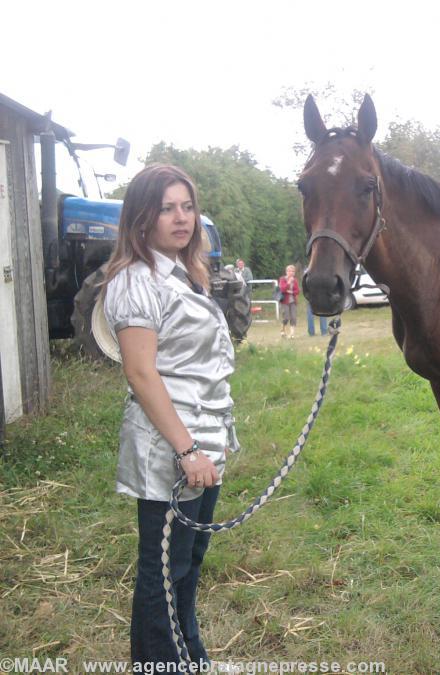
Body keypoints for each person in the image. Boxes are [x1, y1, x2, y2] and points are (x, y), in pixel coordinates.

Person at [102, 164, 239, 669]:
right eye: (166, 209)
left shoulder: (187, 276)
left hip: (202, 441)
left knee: (184, 568)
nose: (181, 219)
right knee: (162, 573)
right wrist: (186, 450)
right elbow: (141, 374)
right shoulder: (137, 281)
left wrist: (211, 440)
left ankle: (185, 660)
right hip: (170, 449)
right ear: (142, 218)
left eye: (187, 207)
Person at [278, 264, 301, 338]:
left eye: (293, 271)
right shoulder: (282, 279)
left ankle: (292, 334)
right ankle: (282, 330)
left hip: (293, 301)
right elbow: (282, 289)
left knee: (293, 317)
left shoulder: (295, 280)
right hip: (285, 301)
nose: (291, 273)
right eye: (290, 271)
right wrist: (288, 283)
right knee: (286, 317)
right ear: (286, 272)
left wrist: (291, 292)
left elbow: (297, 291)